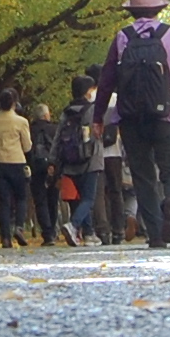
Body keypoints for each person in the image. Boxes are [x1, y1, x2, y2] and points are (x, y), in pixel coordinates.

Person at [92, 0, 170, 246]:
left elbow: (107, 80)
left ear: (132, 10)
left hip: (131, 118)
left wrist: (98, 117)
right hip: (169, 115)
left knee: (143, 177)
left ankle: (156, 235)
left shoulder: (122, 37)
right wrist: (169, 87)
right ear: (158, 8)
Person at [0, 88, 34, 247]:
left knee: (3, 200)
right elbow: (27, 146)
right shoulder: (21, 122)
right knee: (21, 197)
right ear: (14, 103)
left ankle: (5, 237)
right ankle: (19, 227)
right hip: (16, 161)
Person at [60, 76, 104, 243]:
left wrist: (54, 160)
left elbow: (58, 137)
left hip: (70, 160)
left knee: (82, 198)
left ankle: (89, 233)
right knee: (88, 198)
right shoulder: (93, 110)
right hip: (90, 159)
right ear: (87, 91)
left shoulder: (67, 111)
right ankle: (73, 225)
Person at [27, 101, 63, 244]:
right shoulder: (55, 129)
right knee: (53, 199)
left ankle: (47, 233)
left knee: (40, 200)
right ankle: (52, 230)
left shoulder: (30, 129)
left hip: (36, 167)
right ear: (46, 115)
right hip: (52, 166)